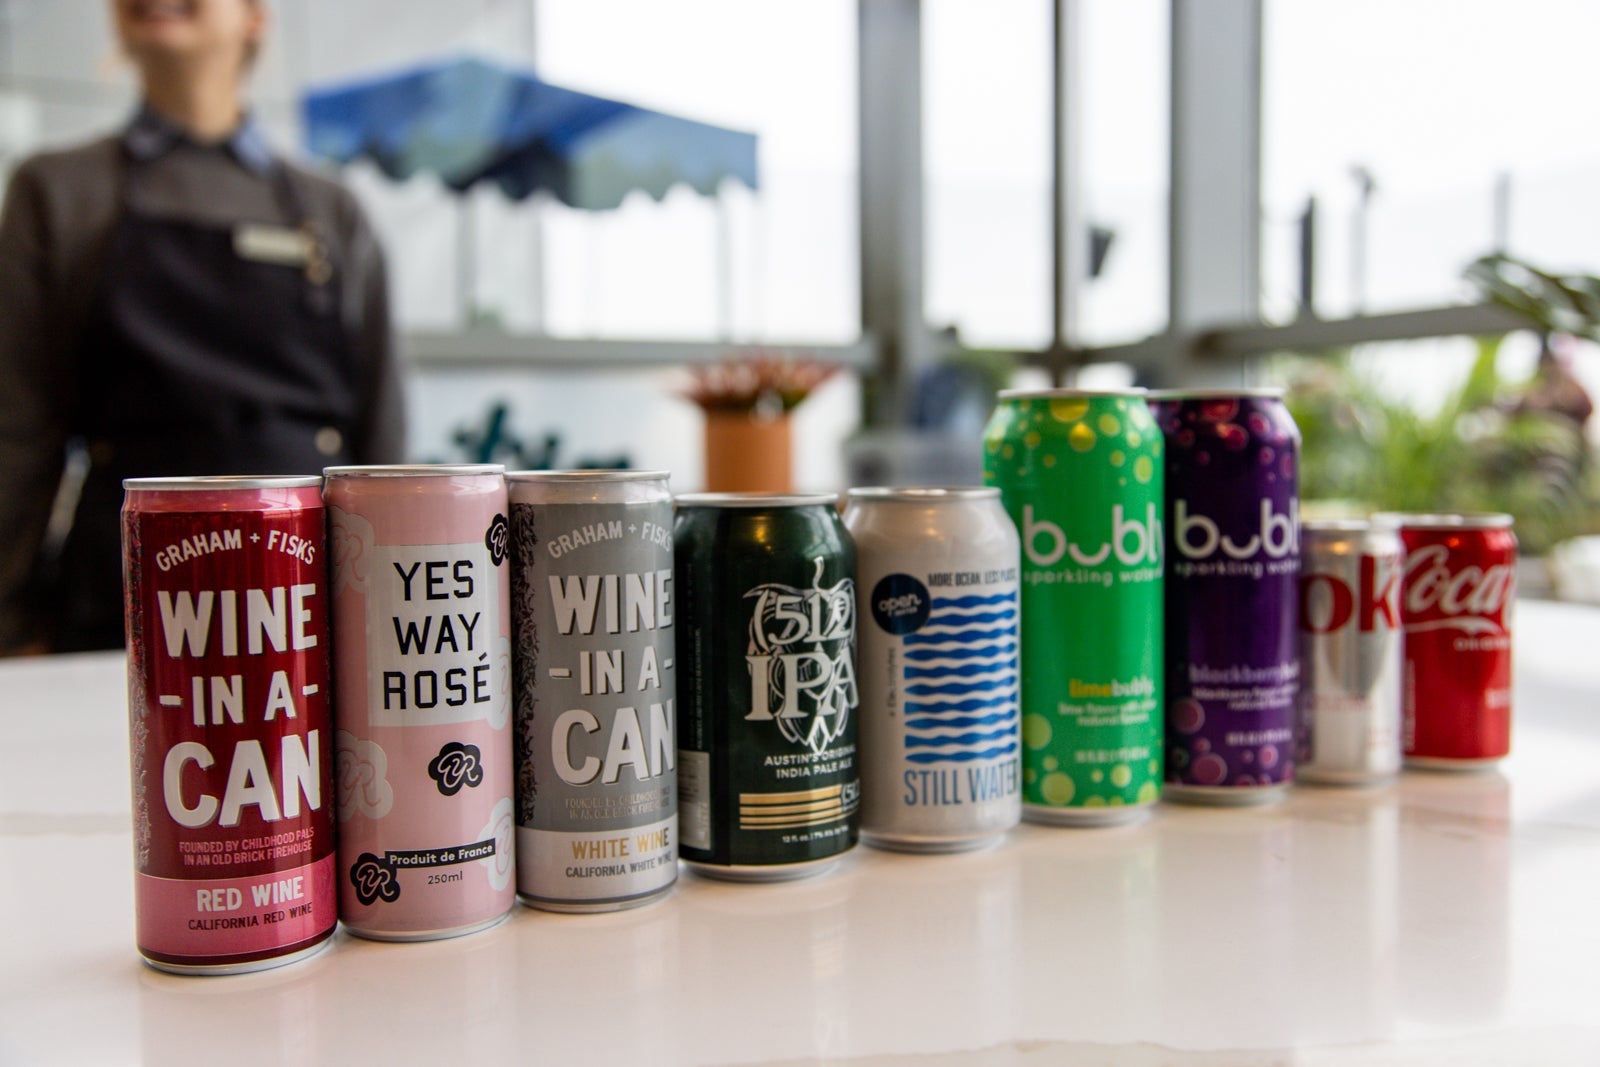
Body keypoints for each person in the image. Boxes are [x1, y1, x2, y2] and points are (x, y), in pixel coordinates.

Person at [0, 0, 405, 654]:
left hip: (311, 617)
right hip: (121, 616)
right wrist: (10, 627)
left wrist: (387, 626)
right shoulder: (55, 191)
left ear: (254, 16)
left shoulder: (332, 212)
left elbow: (384, 440)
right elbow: (16, 433)